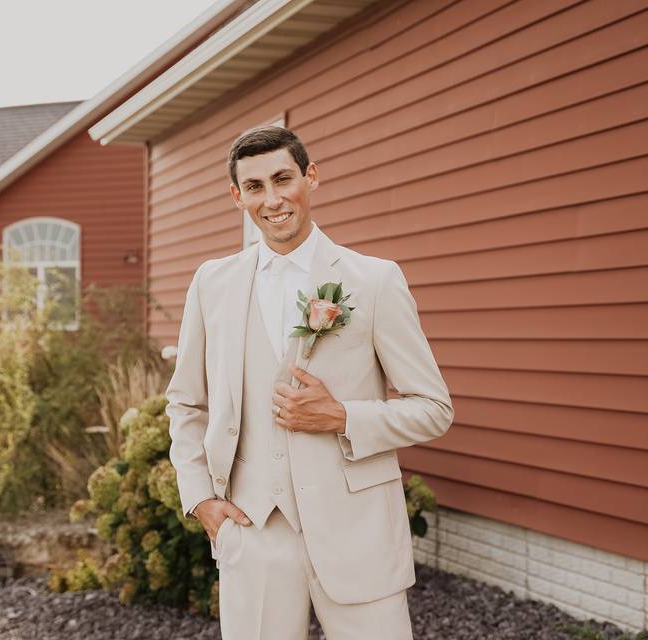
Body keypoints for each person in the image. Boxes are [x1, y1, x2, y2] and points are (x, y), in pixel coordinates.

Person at [165, 126, 453, 639]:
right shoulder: (212, 283)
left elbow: (433, 407)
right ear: (237, 196)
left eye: (283, 179)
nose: (272, 199)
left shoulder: (374, 280)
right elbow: (187, 403)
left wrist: (343, 416)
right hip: (252, 531)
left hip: (357, 529)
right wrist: (201, 501)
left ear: (310, 177)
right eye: (254, 187)